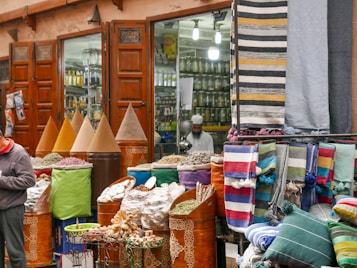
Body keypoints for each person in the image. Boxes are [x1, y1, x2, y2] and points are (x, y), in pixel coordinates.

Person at [0, 130, 36, 268]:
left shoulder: (18, 153)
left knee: (15, 252)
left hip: (11, 209)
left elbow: (28, 181)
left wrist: (1, 180)